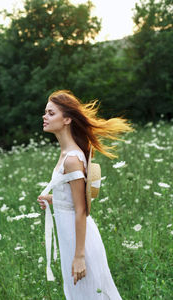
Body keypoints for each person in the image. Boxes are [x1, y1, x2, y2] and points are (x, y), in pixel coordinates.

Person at [37, 90, 133, 300]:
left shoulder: (72, 158)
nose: (44, 117)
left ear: (67, 119)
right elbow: (73, 200)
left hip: (79, 240)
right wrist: (52, 199)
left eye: (51, 113)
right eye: (45, 112)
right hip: (70, 237)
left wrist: (79, 256)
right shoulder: (65, 154)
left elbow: (82, 209)